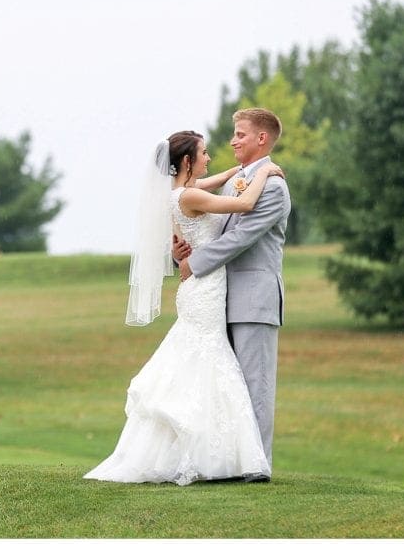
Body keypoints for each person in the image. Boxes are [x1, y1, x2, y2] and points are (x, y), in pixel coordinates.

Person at [84, 129, 284, 485]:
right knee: (208, 363)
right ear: (188, 161)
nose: (210, 158)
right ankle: (221, 457)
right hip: (205, 289)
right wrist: (265, 173)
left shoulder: (178, 194)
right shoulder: (190, 195)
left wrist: (238, 174)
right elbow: (243, 205)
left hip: (200, 288)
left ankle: (216, 454)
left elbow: (219, 183)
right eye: (204, 153)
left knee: (199, 362)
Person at [176, 108, 291, 481]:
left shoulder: (273, 186)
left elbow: (241, 237)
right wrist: (181, 253)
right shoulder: (234, 182)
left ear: (261, 139)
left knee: (255, 385)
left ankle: (257, 467)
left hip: (254, 299)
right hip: (219, 297)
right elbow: (205, 224)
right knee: (228, 386)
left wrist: (196, 264)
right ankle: (228, 461)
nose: (232, 140)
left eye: (240, 134)